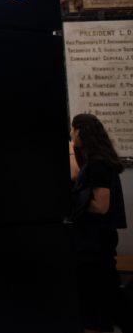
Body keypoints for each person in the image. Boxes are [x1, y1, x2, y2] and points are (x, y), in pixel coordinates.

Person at [69, 113, 127, 333]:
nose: (71, 134)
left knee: (96, 303)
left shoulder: (97, 164)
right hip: (100, 241)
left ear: (81, 132)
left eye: (73, 129)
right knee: (106, 297)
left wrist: (72, 202)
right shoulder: (99, 161)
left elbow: (101, 206)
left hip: (94, 244)